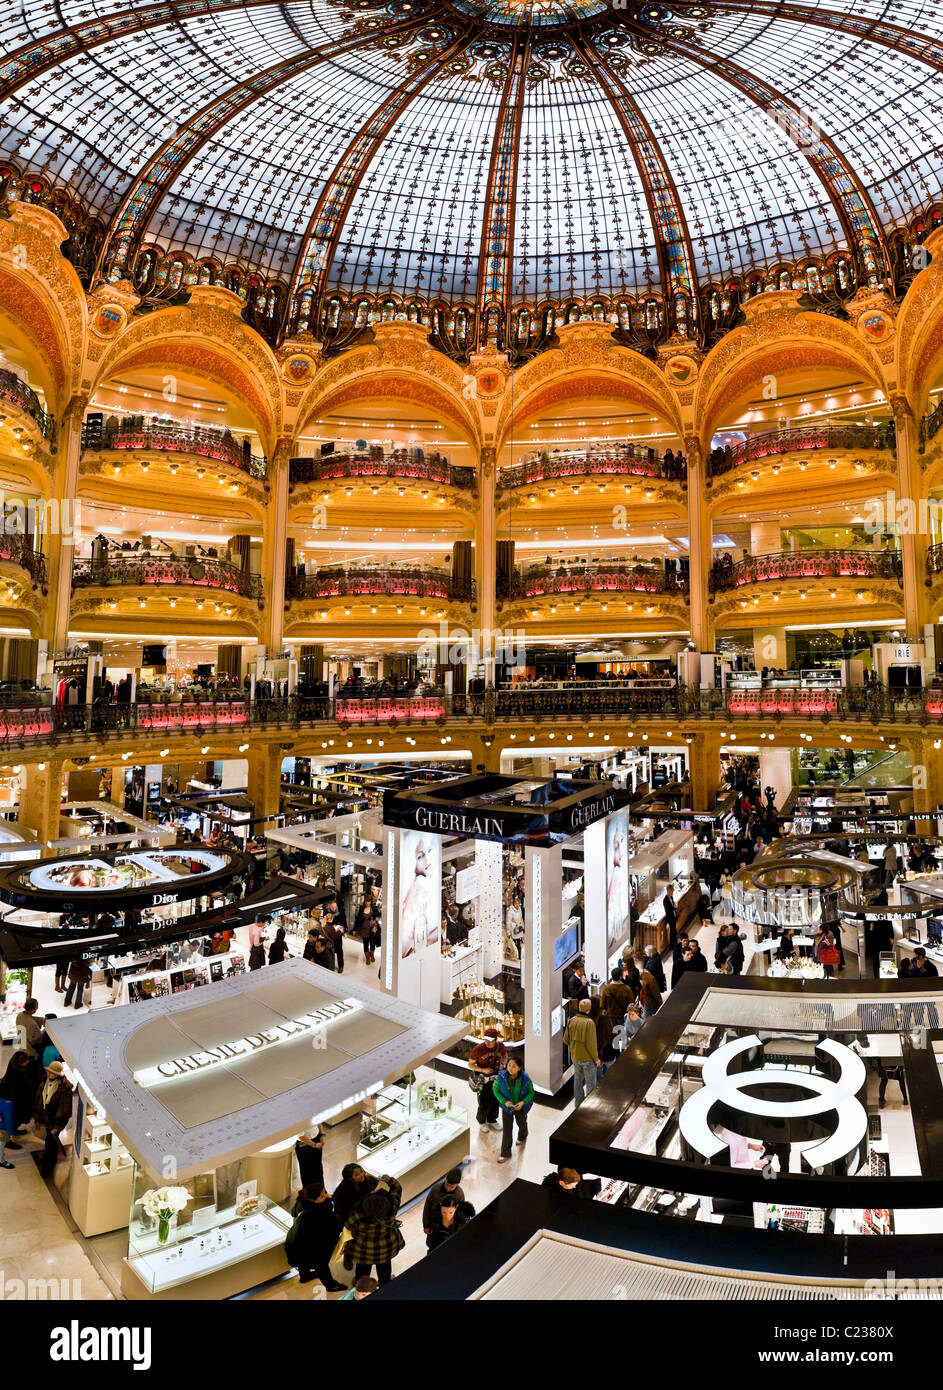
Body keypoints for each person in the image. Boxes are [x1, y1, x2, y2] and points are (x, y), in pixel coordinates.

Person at [285, 1181, 346, 1290]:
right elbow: (333, 1226)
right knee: (321, 1264)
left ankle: (305, 1276)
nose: (326, 1195)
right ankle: (331, 1285)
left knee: (301, 1259)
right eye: (322, 1196)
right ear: (313, 1200)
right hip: (311, 1245)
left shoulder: (301, 1201)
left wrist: (326, 1198)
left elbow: (293, 1213)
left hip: (295, 1239)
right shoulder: (319, 1212)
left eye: (324, 1192)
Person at [346, 1175, 405, 1286]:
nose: (375, 1190)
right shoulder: (392, 1208)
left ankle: (361, 1286)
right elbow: (397, 1188)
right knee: (385, 1269)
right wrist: (389, 1180)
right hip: (386, 1248)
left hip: (364, 1250)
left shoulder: (358, 1214)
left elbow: (349, 1226)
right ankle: (384, 1284)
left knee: (363, 1269)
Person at [37, 1060, 73, 1179]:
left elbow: (65, 1110)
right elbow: (40, 1097)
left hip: (56, 1119)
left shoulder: (65, 1088)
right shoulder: (45, 1081)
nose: (49, 1074)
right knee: (49, 1141)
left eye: (52, 1073)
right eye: (48, 1072)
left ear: (58, 1074)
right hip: (47, 1117)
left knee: (51, 1143)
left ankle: (48, 1167)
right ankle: (47, 1160)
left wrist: (57, 1127)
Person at [494, 1056, 534, 1163]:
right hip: (507, 1108)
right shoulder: (501, 1077)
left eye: (514, 1066)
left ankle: (522, 1136)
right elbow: (495, 1090)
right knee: (507, 1129)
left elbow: (531, 1093)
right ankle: (505, 1153)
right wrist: (504, 1101)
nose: (510, 1068)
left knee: (522, 1124)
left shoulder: (526, 1079)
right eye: (509, 1065)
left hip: (520, 1107)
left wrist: (523, 1102)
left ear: (519, 1068)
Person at [468, 1028, 507, 1129]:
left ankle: (492, 1120)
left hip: (496, 1077)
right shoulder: (478, 1049)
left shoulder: (500, 1046)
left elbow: (505, 1055)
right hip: (484, 1079)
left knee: (495, 1099)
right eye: (486, 1040)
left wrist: (503, 1063)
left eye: (490, 1040)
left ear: (496, 1039)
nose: (488, 1043)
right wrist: (483, 1070)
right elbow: (470, 1065)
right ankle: (481, 1122)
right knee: (484, 1101)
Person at [564, 998, 599, 1107]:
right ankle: (588, 1106)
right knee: (590, 1083)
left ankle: (578, 1104)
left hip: (575, 1057)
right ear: (589, 1009)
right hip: (588, 1059)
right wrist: (596, 1059)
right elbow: (591, 1044)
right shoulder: (589, 1023)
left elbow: (565, 1040)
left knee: (578, 1082)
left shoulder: (571, 1020)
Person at [332, 1163, 378, 1228]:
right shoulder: (343, 1192)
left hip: (362, 1211)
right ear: (350, 1178)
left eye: (361, 1172)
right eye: (357, 1175)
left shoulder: (366, 1180)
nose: (361, 1175)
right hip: (350, 1217)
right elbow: (346, 1211)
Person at [422, 1168, 465, 1236]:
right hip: (434, 1225)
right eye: (447, 1184)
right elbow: (427, 1206)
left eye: (451, 1187)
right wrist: (426, 1225)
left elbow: (461, 1213)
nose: (448, 1188)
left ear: (458, 1184)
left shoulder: (459, 1195)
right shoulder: (435, 1189)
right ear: (446, 1179)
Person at [353, 897, 381, 964]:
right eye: (366, 901)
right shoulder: (361, 908)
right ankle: (367, 958)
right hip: (364, 929)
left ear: (371, 902)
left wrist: (376, 919)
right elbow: (358, 919)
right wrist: (355, 929)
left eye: (369, 901)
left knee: (372, 943)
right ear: (364, 902)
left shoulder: (374, 908)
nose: (367, 903)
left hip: (372, 929)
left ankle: (372, 955)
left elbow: (379, 915)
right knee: (365, 944)